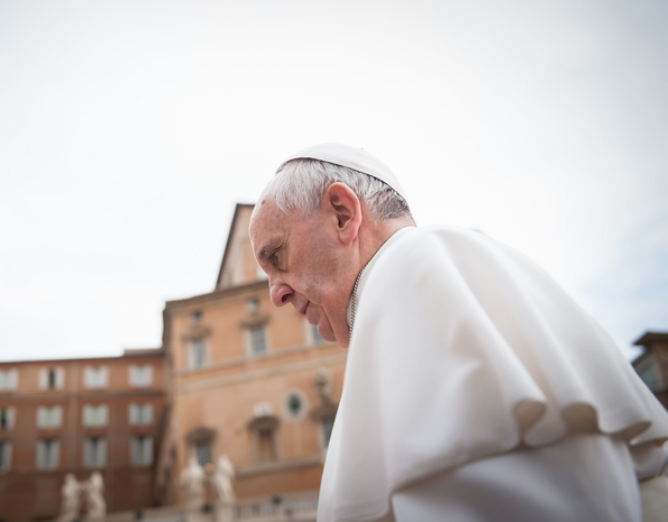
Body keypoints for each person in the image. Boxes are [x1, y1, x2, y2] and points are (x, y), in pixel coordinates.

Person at [248, 143, 668, 522]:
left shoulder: (413, 268)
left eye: (277, 257)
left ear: (342, 214)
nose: (275, 296)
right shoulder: (398, 287)